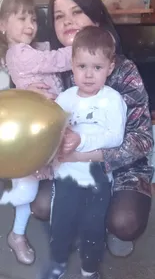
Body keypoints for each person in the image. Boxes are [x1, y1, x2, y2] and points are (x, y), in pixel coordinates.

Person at [30, 0, 154, 261]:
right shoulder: (51, 70)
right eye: (59, 16)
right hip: (67, 161)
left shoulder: (123, 70)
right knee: (40, 207)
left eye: (76, 12)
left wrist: (87, 155)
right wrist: (37, 101)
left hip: (120, 163)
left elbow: (143, 140)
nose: (67, 22)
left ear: (96, 16)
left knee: (124, 222)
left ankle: (102, 218)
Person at [44, 25, 127, 279]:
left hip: (97, 178)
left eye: (97, 68)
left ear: (109, 68)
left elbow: (115, 138)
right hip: (66, 176)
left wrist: (80, 139)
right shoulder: (66, 99)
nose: (89, 75)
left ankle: (89, 270)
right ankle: (58, 262)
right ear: (72, 65)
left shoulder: (113, 100)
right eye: (82, 67)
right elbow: (51, 129)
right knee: (60, 224)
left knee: (93, 228)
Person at [0, 0, 72, 265]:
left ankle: (23, 233)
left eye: (33, 19)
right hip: (29, 137)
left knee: (41, 186)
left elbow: (42, 53)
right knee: (27, 191)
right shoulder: (20, 53)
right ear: (3, 24)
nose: (30, 25)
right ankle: (17, 234)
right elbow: (53, 61)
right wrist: (80, 47)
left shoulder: (22, 51)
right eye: (21, 19)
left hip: (41, 130)